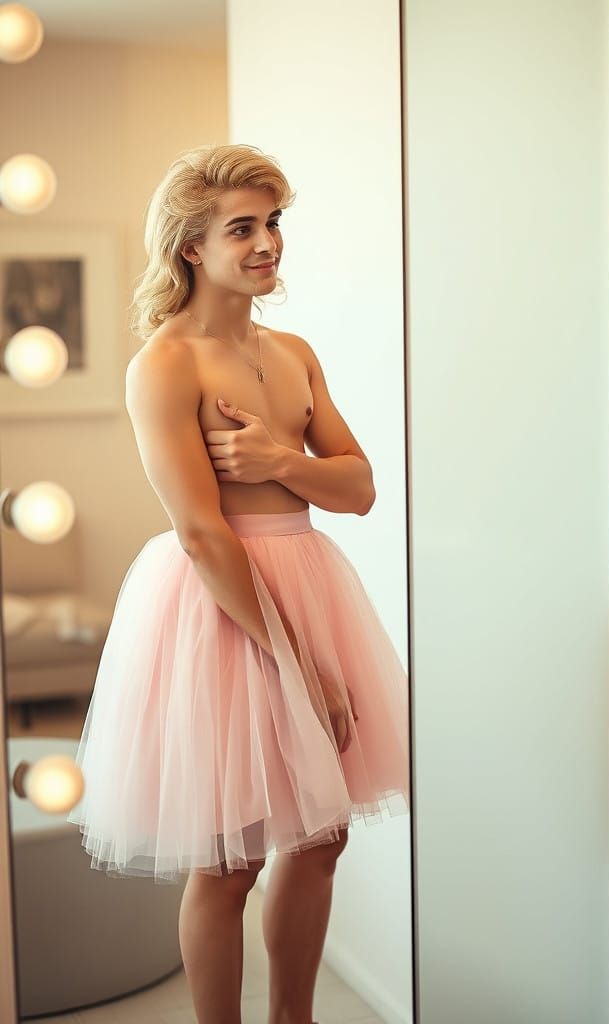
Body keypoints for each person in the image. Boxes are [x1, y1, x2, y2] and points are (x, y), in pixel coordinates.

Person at [67, 144, 409, 1024]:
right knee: (228, 861)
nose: (268, 244)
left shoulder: (293, 351)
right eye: (243, 228)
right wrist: (300, 666)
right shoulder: (166, 365)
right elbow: (199, 530)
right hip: (221, 609)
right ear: (191, 246)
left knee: (322, 839)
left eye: (274, 223)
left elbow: (360, 487)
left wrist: (278, 461)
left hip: (309, 583)